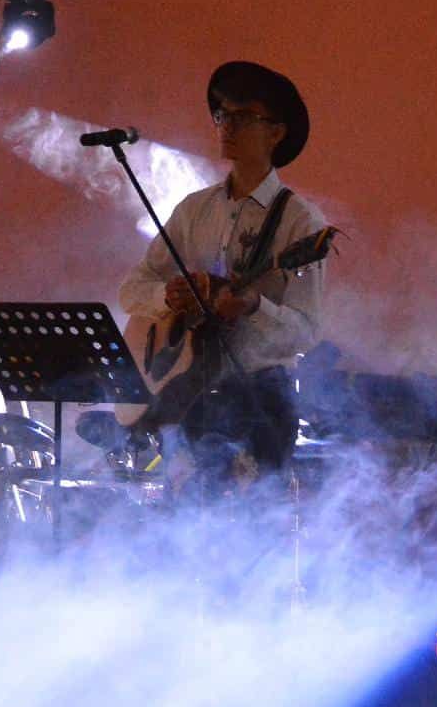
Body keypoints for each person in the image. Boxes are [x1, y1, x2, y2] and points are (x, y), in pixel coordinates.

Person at [118, 61, 326, 489]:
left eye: (243, 116)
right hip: (189, 400)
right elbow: (131, 290)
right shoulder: (194, 210)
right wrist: (169, 297)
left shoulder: (301, 223)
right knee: (183, 520)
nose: (227, 126)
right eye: (222, 115)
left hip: (259, 402)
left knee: (249, 524)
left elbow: (306, 331)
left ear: (276, 132)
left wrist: (254, 306)